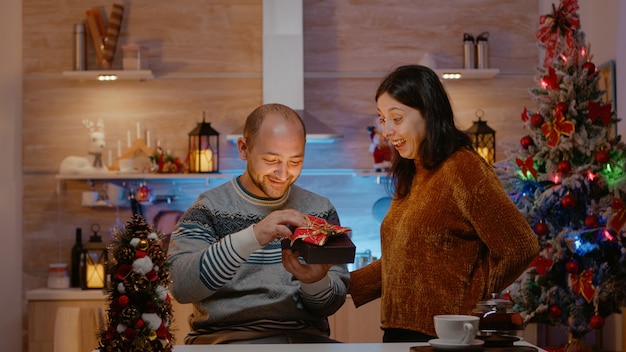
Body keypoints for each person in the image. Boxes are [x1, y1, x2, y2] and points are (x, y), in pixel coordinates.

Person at [348, 65, 540, 342]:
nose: (387, 131)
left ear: (429, 112)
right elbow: (405, 260)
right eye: (382, 119)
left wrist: (471, 301)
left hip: (448, 338)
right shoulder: (412, 171)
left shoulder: (464, 168)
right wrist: (341, 284)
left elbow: (521, 246)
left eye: (397, 118)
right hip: (400, 332)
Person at [167, 103, 349, 344]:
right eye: (272, 160)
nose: (283, 174)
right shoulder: (208, 209)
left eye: (295, 162)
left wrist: (315, 282)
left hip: (305, 341)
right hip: (224, 341)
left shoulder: (320, 210)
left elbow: (330, 304)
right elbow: (180, 285)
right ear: (244, 149)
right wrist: (252, 237)